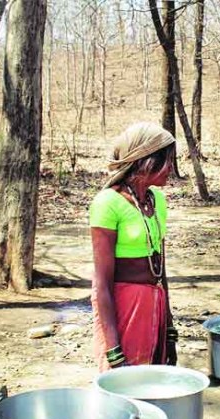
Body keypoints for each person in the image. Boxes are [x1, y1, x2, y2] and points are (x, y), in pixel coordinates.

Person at [89, 122, 179, 371]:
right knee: (124, 384)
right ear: (146, 161)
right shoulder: (108, 203)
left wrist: (169, 330)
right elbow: (102, 284)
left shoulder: (157, 200)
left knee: (153, 380)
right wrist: (113, 349)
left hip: (155, 305)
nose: (171, 169)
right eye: (167, 161)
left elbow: (161, 269)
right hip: (124, 308)